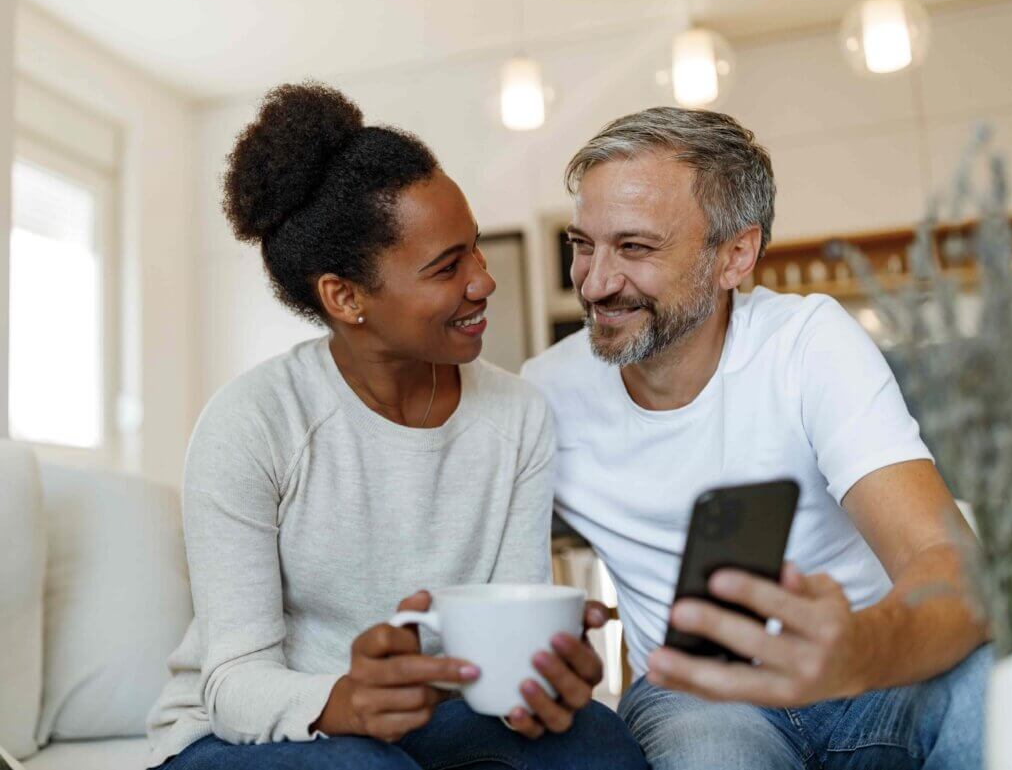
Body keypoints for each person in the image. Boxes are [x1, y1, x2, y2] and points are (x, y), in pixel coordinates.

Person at [146, 83, 648, 770]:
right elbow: (232, 683)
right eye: (448, 267)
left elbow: (500, 652)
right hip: (243, 734)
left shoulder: (517, 415)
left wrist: (541, 674)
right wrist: (348, 700)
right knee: (366, 767)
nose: (483, 281)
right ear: (345, 297)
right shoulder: (253, 423)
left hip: (436, 721)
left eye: (473, 249)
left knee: (598, 741)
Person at [521, 106, 991, 770]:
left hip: (871, 668)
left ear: (735, 255)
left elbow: (950, 563)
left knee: (989, 685)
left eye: (634, 248)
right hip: (699, 695)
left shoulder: (807, 342)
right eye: (582, 244)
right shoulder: (541, 398)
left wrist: (857, 648)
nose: (596, 282)